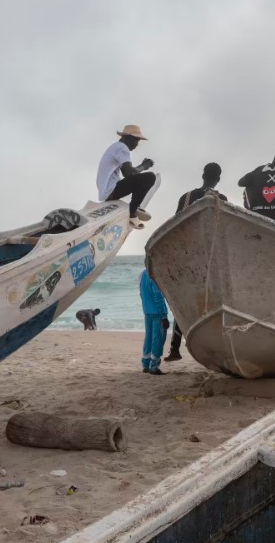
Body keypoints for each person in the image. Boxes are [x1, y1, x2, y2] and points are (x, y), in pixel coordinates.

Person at [165, 162, 228, 362]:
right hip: (211, 258)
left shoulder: (187, 197)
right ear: (218, 179)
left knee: (184, 304)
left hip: (187, 256)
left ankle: (175, 349)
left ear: (202, 175)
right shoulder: (221, 199)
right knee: (217, 304)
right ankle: (219, 350)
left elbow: (176, 224)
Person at [97, 124, 160, 227]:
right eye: (136, 141)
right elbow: (129, 174)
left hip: (108, 191)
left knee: (140, 180)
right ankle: (132, 211)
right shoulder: (122, 148)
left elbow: (128, 174)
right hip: (111, 191)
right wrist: (144, 166)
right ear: (128, 138)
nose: (137, 145)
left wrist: (141, 168)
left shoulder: (116, 147)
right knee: (150, 177)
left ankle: (135, 205)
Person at [139, 268, 169, 375]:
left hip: (147, 311)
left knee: (148, 337)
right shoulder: (154, 274)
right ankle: (154, 366)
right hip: (157, 313)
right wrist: (164, 316)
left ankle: (146, 364)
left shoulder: (142, 274)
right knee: (158, 338)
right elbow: (158, 297)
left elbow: (141, 293)